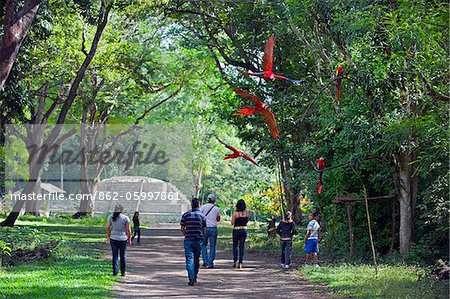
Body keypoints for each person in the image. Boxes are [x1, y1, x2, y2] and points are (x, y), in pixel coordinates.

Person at [180, 198, 206, 286]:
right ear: (199, 205)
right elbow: (204, 229)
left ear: (191, 205)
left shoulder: (185, 215)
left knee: (189, 260)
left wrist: (186, 234)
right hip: (198, 240)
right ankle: (194, 275)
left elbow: (182, 228)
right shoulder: (202, 216)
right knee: (196, 259)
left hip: (188, 240)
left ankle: (191, 277)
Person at [106, 204, 131, 276]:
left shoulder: (111, 217)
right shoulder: (125, 218)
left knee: (115, 255)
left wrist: (108, 236)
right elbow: (128, 230)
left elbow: (107, 227)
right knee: (123, 255)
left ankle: (115, 272)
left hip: (113, 238)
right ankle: (123, 272)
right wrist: (129, 238)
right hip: (123, 239)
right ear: (122, 210)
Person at [200, 193, 221, 268]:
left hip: (204, 228)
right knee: (212, 246)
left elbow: (200, 217)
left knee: (203, 245)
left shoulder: (203, 207)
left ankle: (205, 261)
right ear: (214, 200)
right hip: (213, 228)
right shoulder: (216, 208)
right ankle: (210, 263)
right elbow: (218, 219)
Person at [231, 199, 249, 269]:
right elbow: (247, 221)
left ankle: (235, 261)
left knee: (235, 246)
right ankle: (240, 262)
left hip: (236, 230)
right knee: (242, 246)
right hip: (244, 229)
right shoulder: (247, 213)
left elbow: (232, 223)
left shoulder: (235, 213)